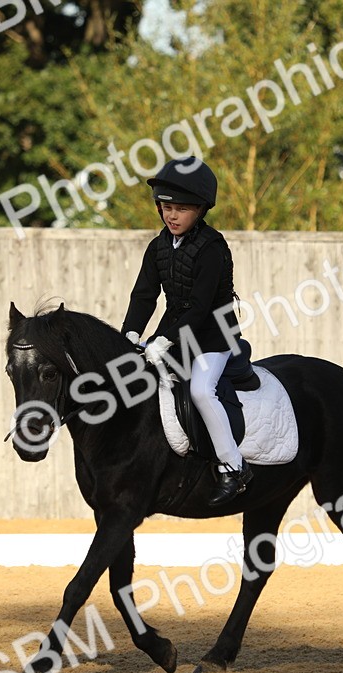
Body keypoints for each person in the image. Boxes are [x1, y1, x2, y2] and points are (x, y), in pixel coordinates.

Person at [121, 157, 252, 506]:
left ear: (201, 209)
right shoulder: (158, 247)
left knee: (201, 391)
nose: (172, 216)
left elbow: (200, 306)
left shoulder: (213, 247)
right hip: (175, 331)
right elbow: (144, 295)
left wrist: (164, 340)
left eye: (181, 209)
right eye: (166, 207)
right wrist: (131, 334)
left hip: (214, 335)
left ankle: (233, 467)